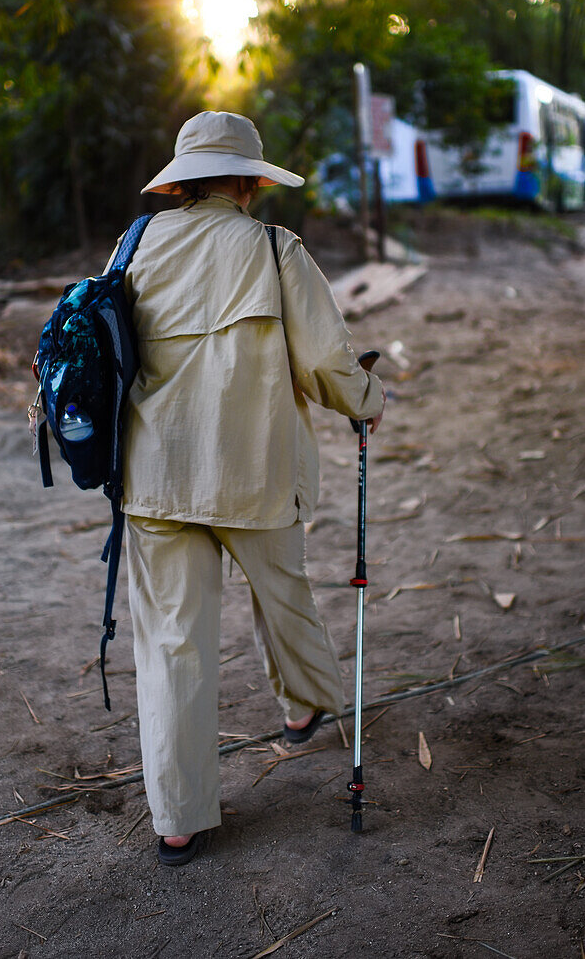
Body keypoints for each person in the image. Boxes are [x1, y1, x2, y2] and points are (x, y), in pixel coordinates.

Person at [118, 111, 385, 866]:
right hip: (254, 471)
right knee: (284, 591)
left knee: (172, 643)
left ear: (181, 182)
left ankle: (179, 819)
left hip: (156, 477)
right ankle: (309, 706)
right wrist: (368, 401)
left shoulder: (134, 245)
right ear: (246, 180)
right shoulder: (274, 249)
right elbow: (329, 364)